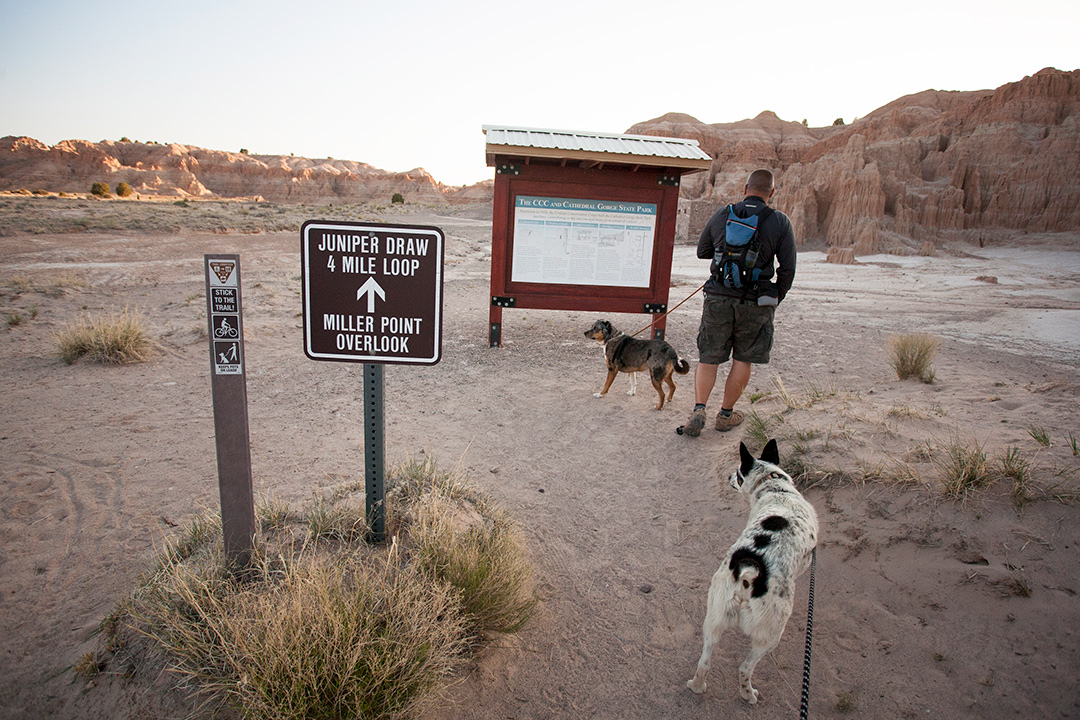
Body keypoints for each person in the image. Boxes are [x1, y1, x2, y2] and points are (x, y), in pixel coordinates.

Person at [680, 169, 796, 437]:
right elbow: (787, 268)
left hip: (719, 297)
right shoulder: (780, 221)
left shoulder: (724, 213)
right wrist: (775, 296)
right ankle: (725, 415)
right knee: (743, 359)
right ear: (772, 193)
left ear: (745, 189)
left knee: (709, 357)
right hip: (757, 302)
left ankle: (699, 410)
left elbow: (702, 251)